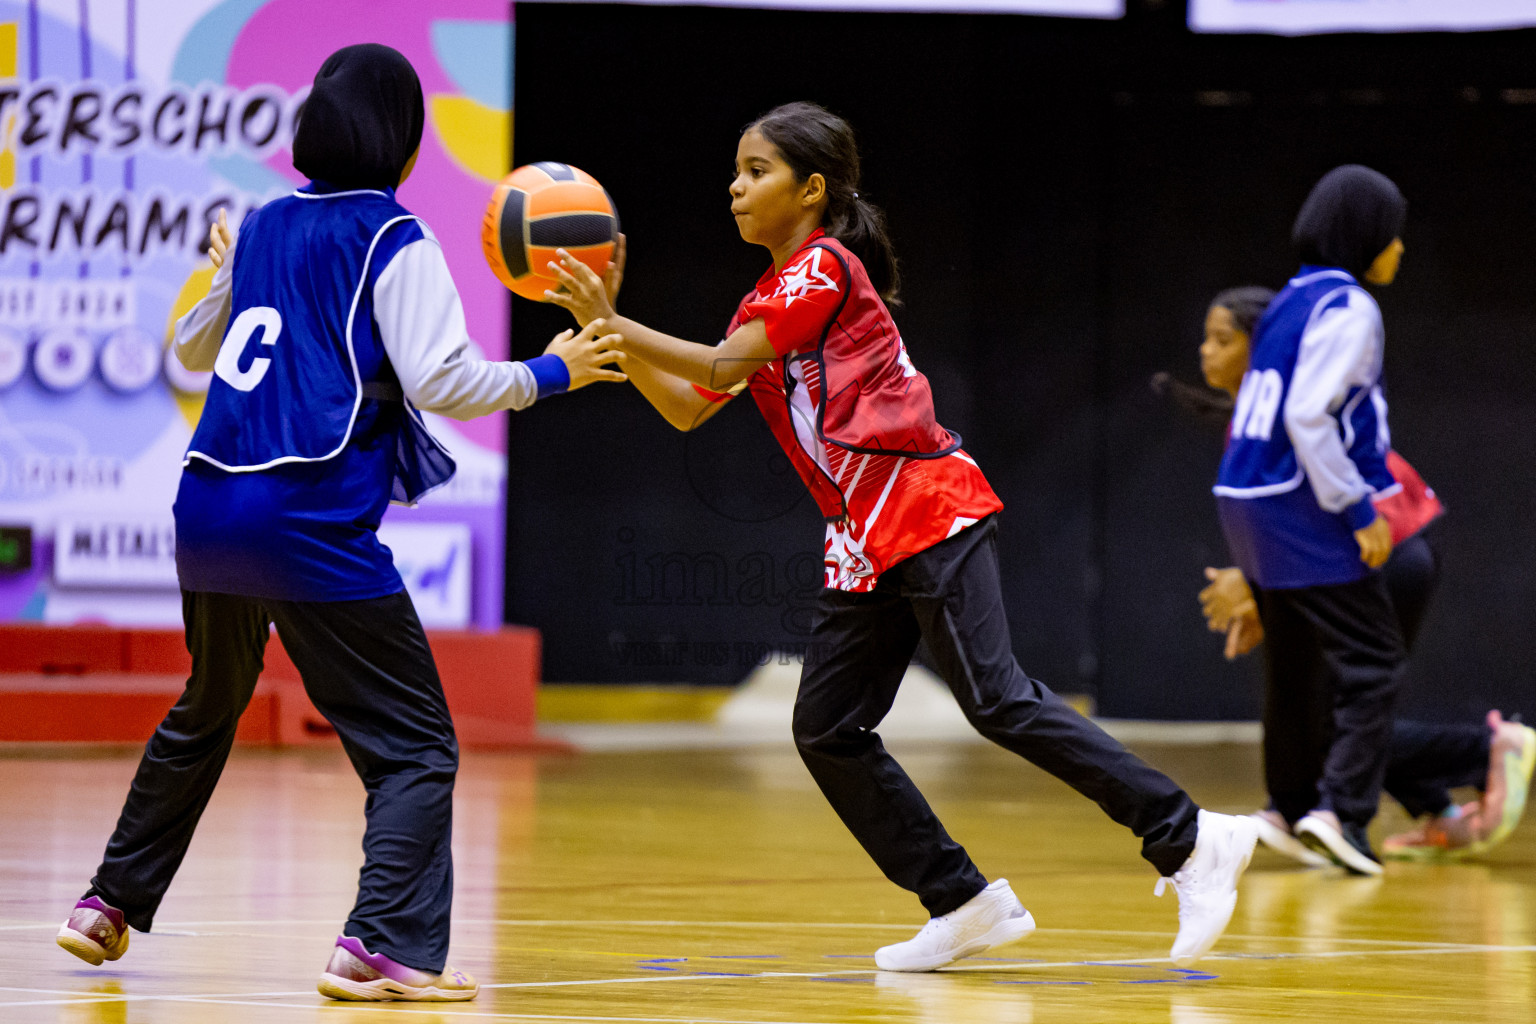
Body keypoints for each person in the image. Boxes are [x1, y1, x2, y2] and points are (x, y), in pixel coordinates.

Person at [543, 100, 1257, 971]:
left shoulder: (826, 266)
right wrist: (615, 348)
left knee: (998, 699)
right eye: (734, 170)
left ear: (811, 189)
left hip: (922, 504)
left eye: (756, 170)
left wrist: (617, 319)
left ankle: (1189, 837)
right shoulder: (765, 297)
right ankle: (963, 900)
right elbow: (696, 405)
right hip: (861, 537)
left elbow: (724, 364)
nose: (735, 186)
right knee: (828, 729)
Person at [53, 44, 626, 1002]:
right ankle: (382, 947)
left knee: (206, 707)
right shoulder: (391, 238)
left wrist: (235, 271)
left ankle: (105, 903)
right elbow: (445, 379)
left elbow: (193, 347)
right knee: (416, 745)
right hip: (304, 515)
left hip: (206, 509)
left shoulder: (269, 225)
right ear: (403, 143)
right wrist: (552, 371)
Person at [1189, 287, 1534, 863]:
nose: (1204, 352)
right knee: (1330, 717)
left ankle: (1487, 752)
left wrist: (1255, 586)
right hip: (1364, 560)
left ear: (1267, 343)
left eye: (1223, 339)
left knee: (1328, 724)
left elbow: (1310, 510)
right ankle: (1438, 808)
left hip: (1384, 555)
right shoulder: (1255, 411)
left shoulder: (1287, 404)